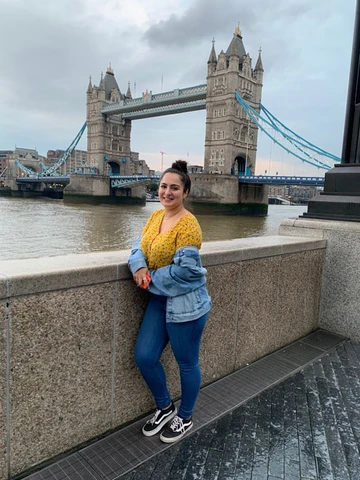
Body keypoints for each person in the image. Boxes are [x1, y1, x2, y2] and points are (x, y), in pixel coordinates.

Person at [128, 160, 211, 444]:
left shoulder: (189, 226)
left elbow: (185, 272)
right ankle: (165, 407)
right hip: (160, 299)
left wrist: (148, 277)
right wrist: (138, 266)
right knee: (145, 356)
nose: (167, 192)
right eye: (163, 186)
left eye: (174, 188)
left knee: (187, 363)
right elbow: (139, 246)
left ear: (185, 192)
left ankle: (185, 417)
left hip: (187, 305)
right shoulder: (155, 217)